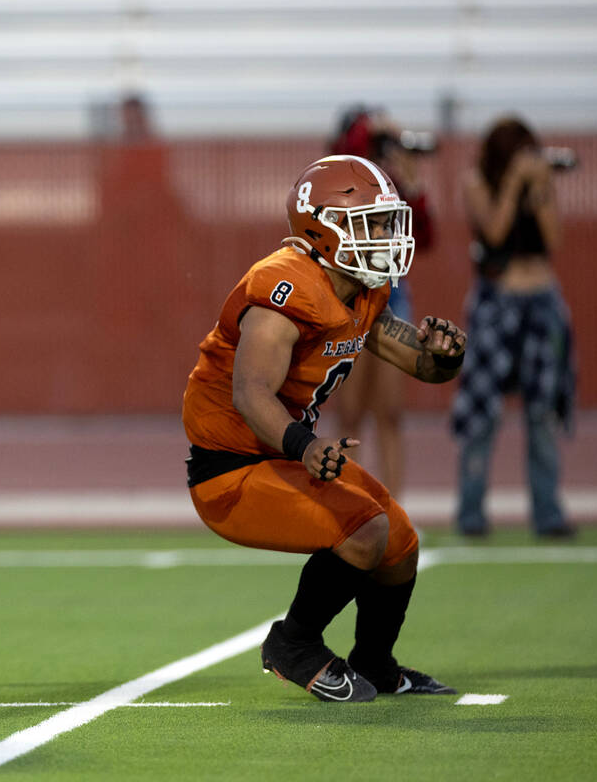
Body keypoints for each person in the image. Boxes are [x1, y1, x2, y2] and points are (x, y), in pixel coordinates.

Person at [182, 154, 466, 702]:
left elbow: (422, 367)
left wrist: (444, 356)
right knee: (365, 530)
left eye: (387, 224)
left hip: (284, 456)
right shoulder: (284, 287)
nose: (385, 236)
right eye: (373, 224)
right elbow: (250, 393)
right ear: (324, 227)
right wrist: (305, 446)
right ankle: (294, 643)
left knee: (400, 541)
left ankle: (377, 664)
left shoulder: (359, 290)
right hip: (232, 469)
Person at [451, 116, 577, 538]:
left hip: (542, 299)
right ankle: (470, 513)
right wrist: (513, 183)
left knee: (542, 412)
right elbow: (495, 230)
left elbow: (553, 238)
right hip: (497, 301)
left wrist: (538, 186)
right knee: (484, 410)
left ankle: (548, 513)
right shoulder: (477, 181)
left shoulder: (539, 183)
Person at [327, 106, 437, 500]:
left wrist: (412, 179)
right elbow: (347, 149)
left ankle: (394, 509)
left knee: (390, 413)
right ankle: (348, 506)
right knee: (351, 414)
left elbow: (424, 237)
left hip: (391, 297)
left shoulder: (390, 185)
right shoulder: (341, 178)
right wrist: (374, 128)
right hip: (348, 298)